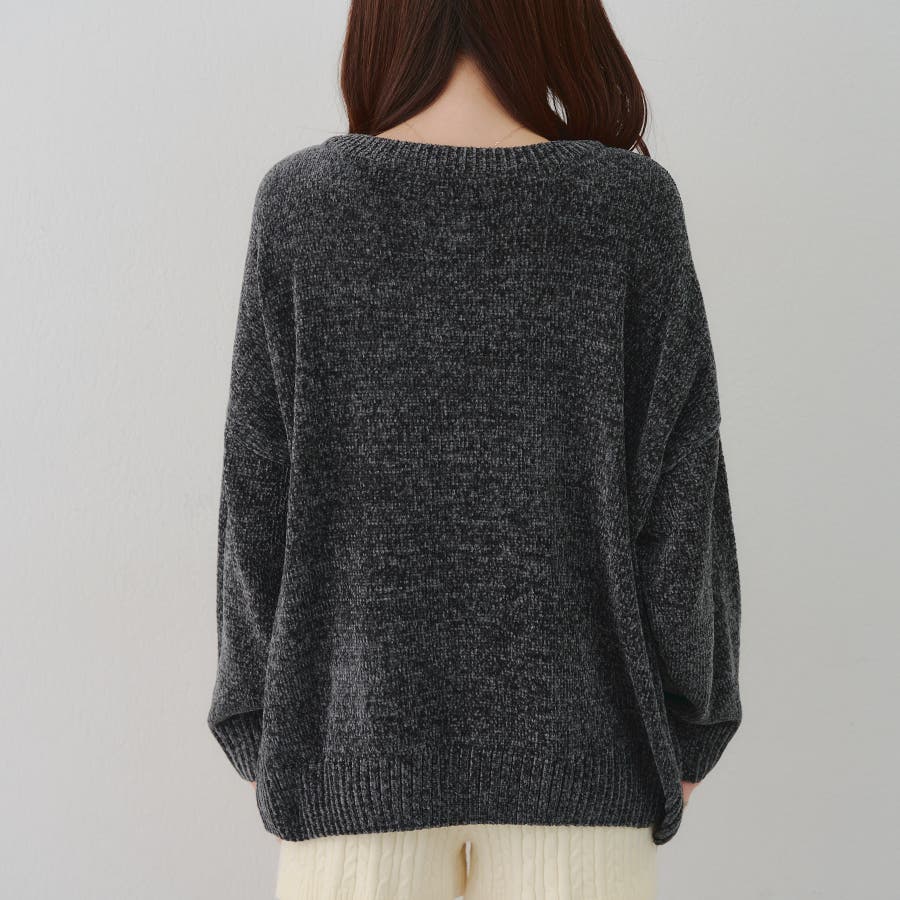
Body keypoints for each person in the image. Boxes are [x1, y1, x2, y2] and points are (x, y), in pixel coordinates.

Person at [206, 1, 743, 897]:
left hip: (349, 771)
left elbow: (257, 497)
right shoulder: (627, 208)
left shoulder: (304, 203)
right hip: (585, 775)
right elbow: (681, 507)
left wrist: (263, 727)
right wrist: (693, 722)